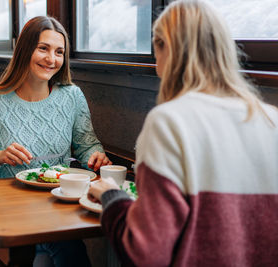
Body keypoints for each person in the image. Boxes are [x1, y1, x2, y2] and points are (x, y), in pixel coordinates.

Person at [88, 0, 278, 266]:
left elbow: (145, 252)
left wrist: (111, 196)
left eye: (156, 46)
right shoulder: (272, 120)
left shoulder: (168, 122)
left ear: (166, 48)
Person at [0, 16, 112, 266]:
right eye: (43, 48)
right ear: (25, 49)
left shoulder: (72, 96)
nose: (51, 59)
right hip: (7, 209)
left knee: (70, 253)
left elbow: (88, 145)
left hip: (58, 203)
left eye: (59, 52)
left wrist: (95, 155)